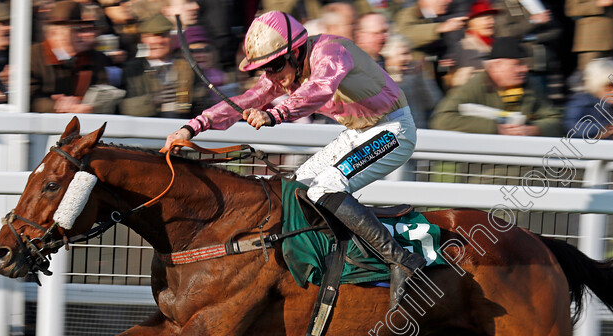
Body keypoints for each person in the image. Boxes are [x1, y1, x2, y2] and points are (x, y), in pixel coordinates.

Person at [162, 11, 425, 309]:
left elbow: (319, 88)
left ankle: (402, 260)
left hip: (394, 130)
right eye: (265, 69)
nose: (272, 76)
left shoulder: (331, 50)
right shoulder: (287, 70)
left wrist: (275, 114)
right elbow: (246, 100)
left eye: (274, 66)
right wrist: (192, 127)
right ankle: (337, 260)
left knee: (326, 186)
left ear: (297, 52)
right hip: (359, 131)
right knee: (296, 189)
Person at [429, 36, 563, 135]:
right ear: (496, 66)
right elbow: (442, 119)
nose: (524, 69)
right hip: (484, 167)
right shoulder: (475, 85)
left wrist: (533, 129)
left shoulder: (530, 85)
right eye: (518, 65)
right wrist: (496, 128)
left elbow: (555, 120)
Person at [29, 0, 110, 113]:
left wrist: (82, 104)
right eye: (75, 30)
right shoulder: (32, 56)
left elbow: (104, 91)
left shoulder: (95, 58)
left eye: (81, 29)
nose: (83, 35)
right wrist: (58, 106)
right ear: (55, 32)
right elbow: (29, 98)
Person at [120, 13, 195, 117]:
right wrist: (153, 100)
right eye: (152, 36)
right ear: (143, 39)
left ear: (172, 38)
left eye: (163, 36)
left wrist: (188, 100)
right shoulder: (133, 69)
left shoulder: (187, 66)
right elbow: (123, 108)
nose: (158, 41)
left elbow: (201, 103)